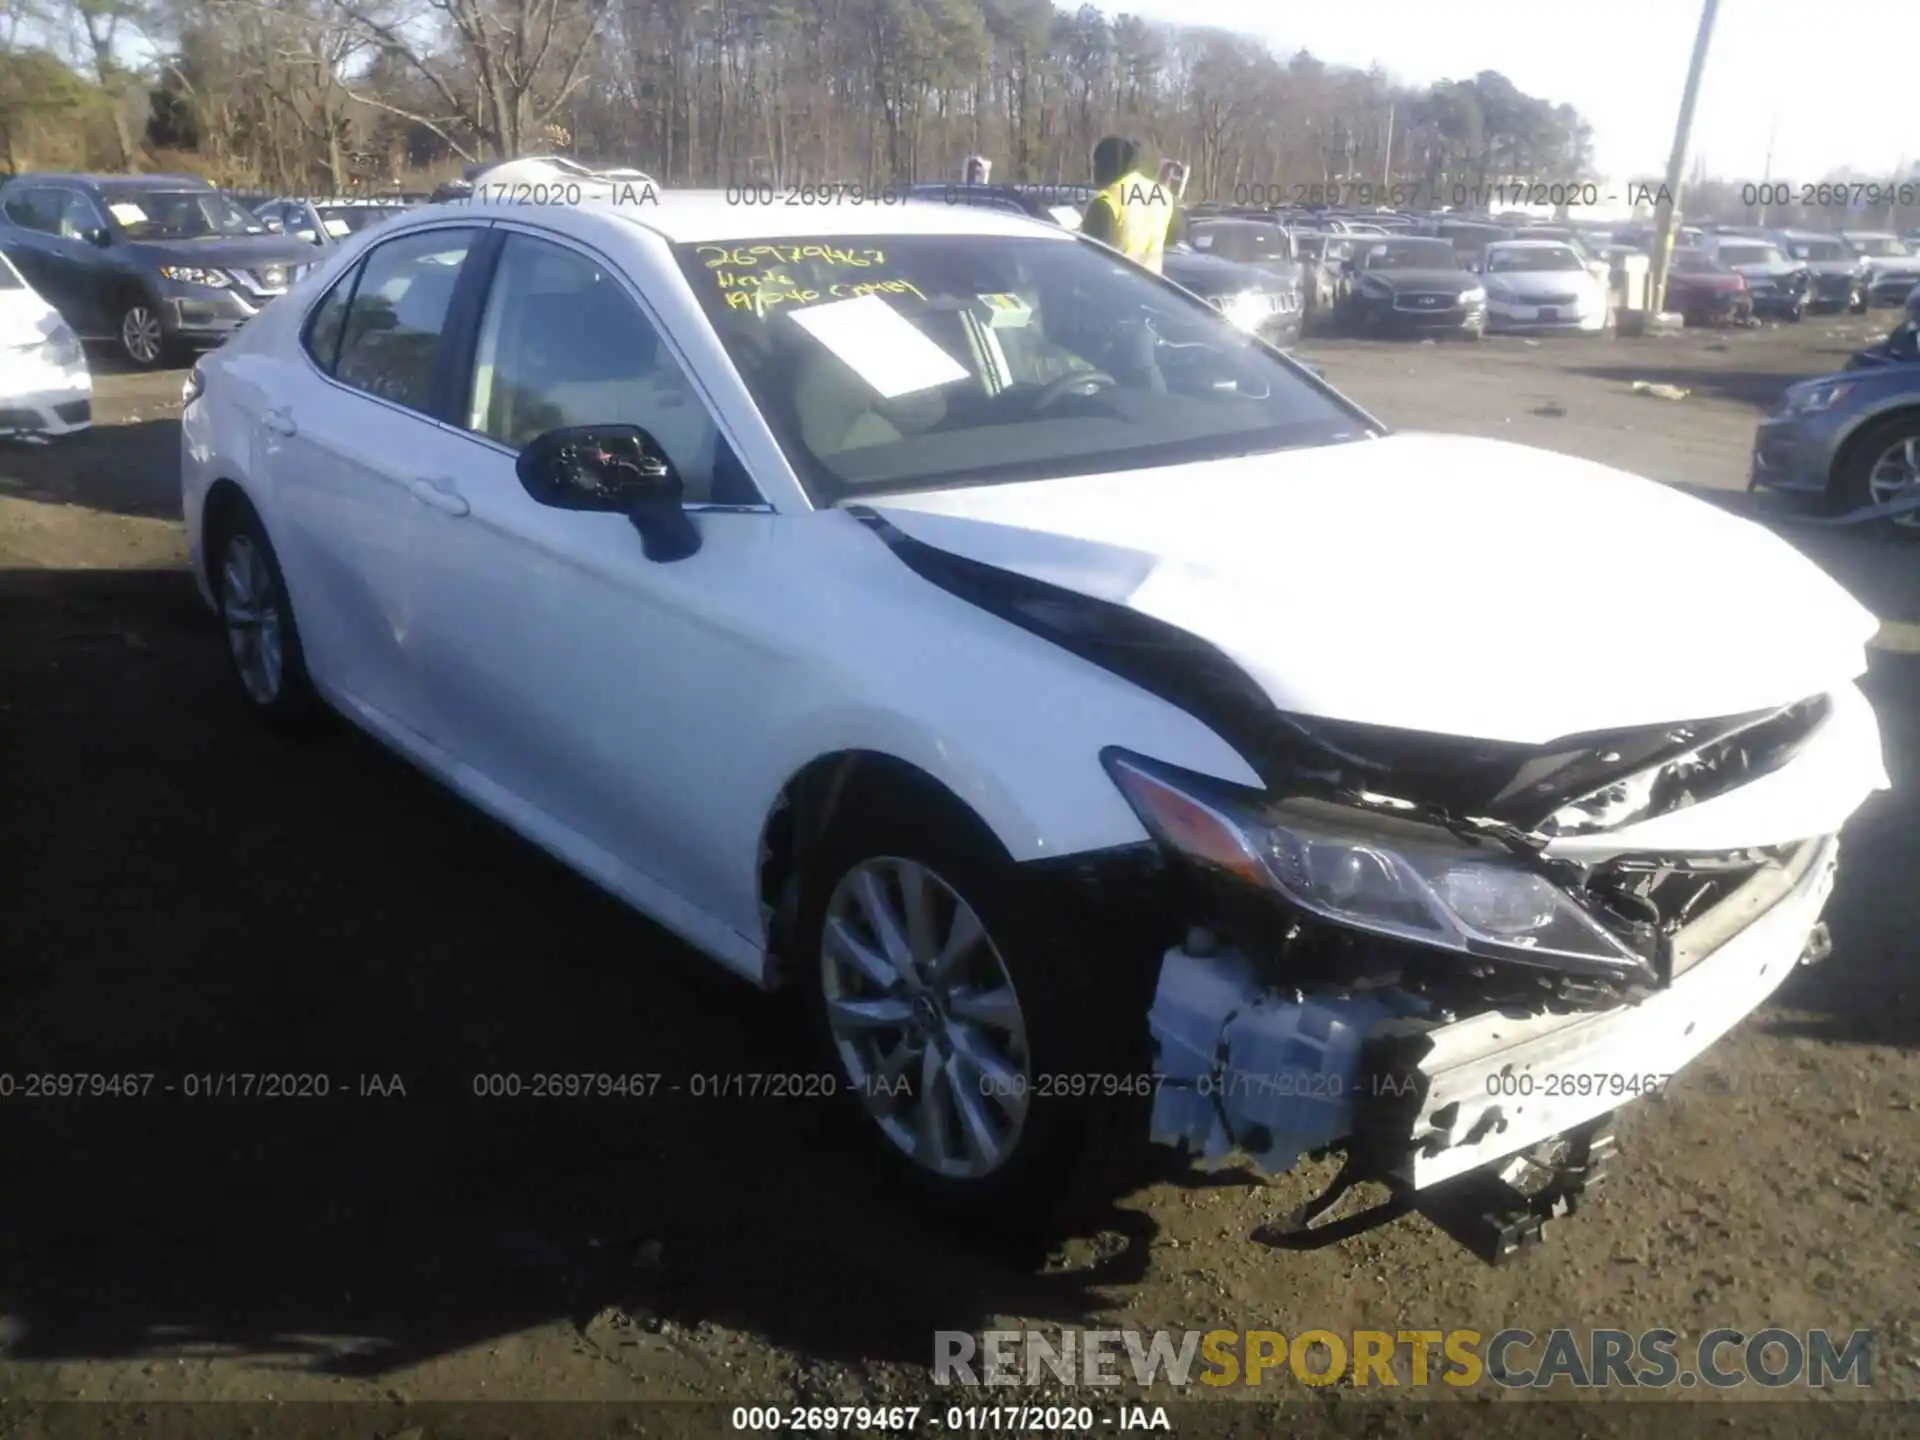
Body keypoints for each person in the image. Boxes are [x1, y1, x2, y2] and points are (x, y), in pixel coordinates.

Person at [1079, 136, 1176, 274]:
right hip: (1152, 289)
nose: (1093, 171)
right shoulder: (1163, 194)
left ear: (1105, 165)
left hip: (1115, 287)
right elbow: (1174, 238)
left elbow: (1092, 259)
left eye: (1096, 164)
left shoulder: (1107, 200)